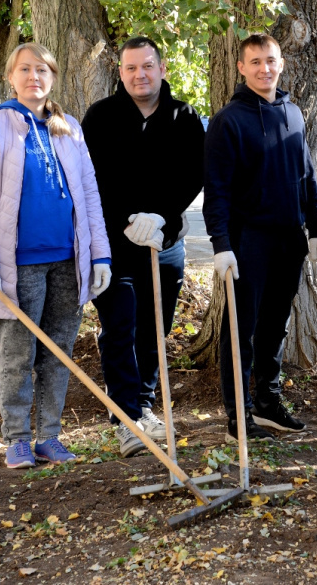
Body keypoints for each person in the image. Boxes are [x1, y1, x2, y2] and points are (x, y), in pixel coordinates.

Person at [0, 43, 112, 469]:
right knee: (17, 354)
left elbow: (89, 196)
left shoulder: (69, 128)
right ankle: (17, 439)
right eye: (25, 69)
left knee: (59, 352)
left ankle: (48, 436)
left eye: (42, 69)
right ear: (11, 77)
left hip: (68, 259)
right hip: (17, 263)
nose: (34, 77)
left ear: (53, 77)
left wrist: (100, 255)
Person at [82, 37, 205, 457]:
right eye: (132, 68)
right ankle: (125, 416)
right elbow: (92, 179)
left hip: (164, 243)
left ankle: (145, 405)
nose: (140, 75)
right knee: (121, 325)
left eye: (148, 66)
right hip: (115, 244)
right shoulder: (100, 117)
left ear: (162, 67)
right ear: (121, 73)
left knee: (155, 327)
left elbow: (193, 175)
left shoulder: (184, 117)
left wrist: (162, 217)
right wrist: (127, 221)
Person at [203, 34, 317, 442]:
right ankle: (238, 416)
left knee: (276, 324)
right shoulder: (229, 120)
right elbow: (216, 190)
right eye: (255, 62)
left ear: (281, 63)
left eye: (270, 61)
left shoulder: (293, 112)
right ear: (241, 67)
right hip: (247, 241)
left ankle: (269, 402)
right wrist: (221, 244)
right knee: (241, 329)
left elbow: (306, 174)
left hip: (289, 239)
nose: (264, 69)